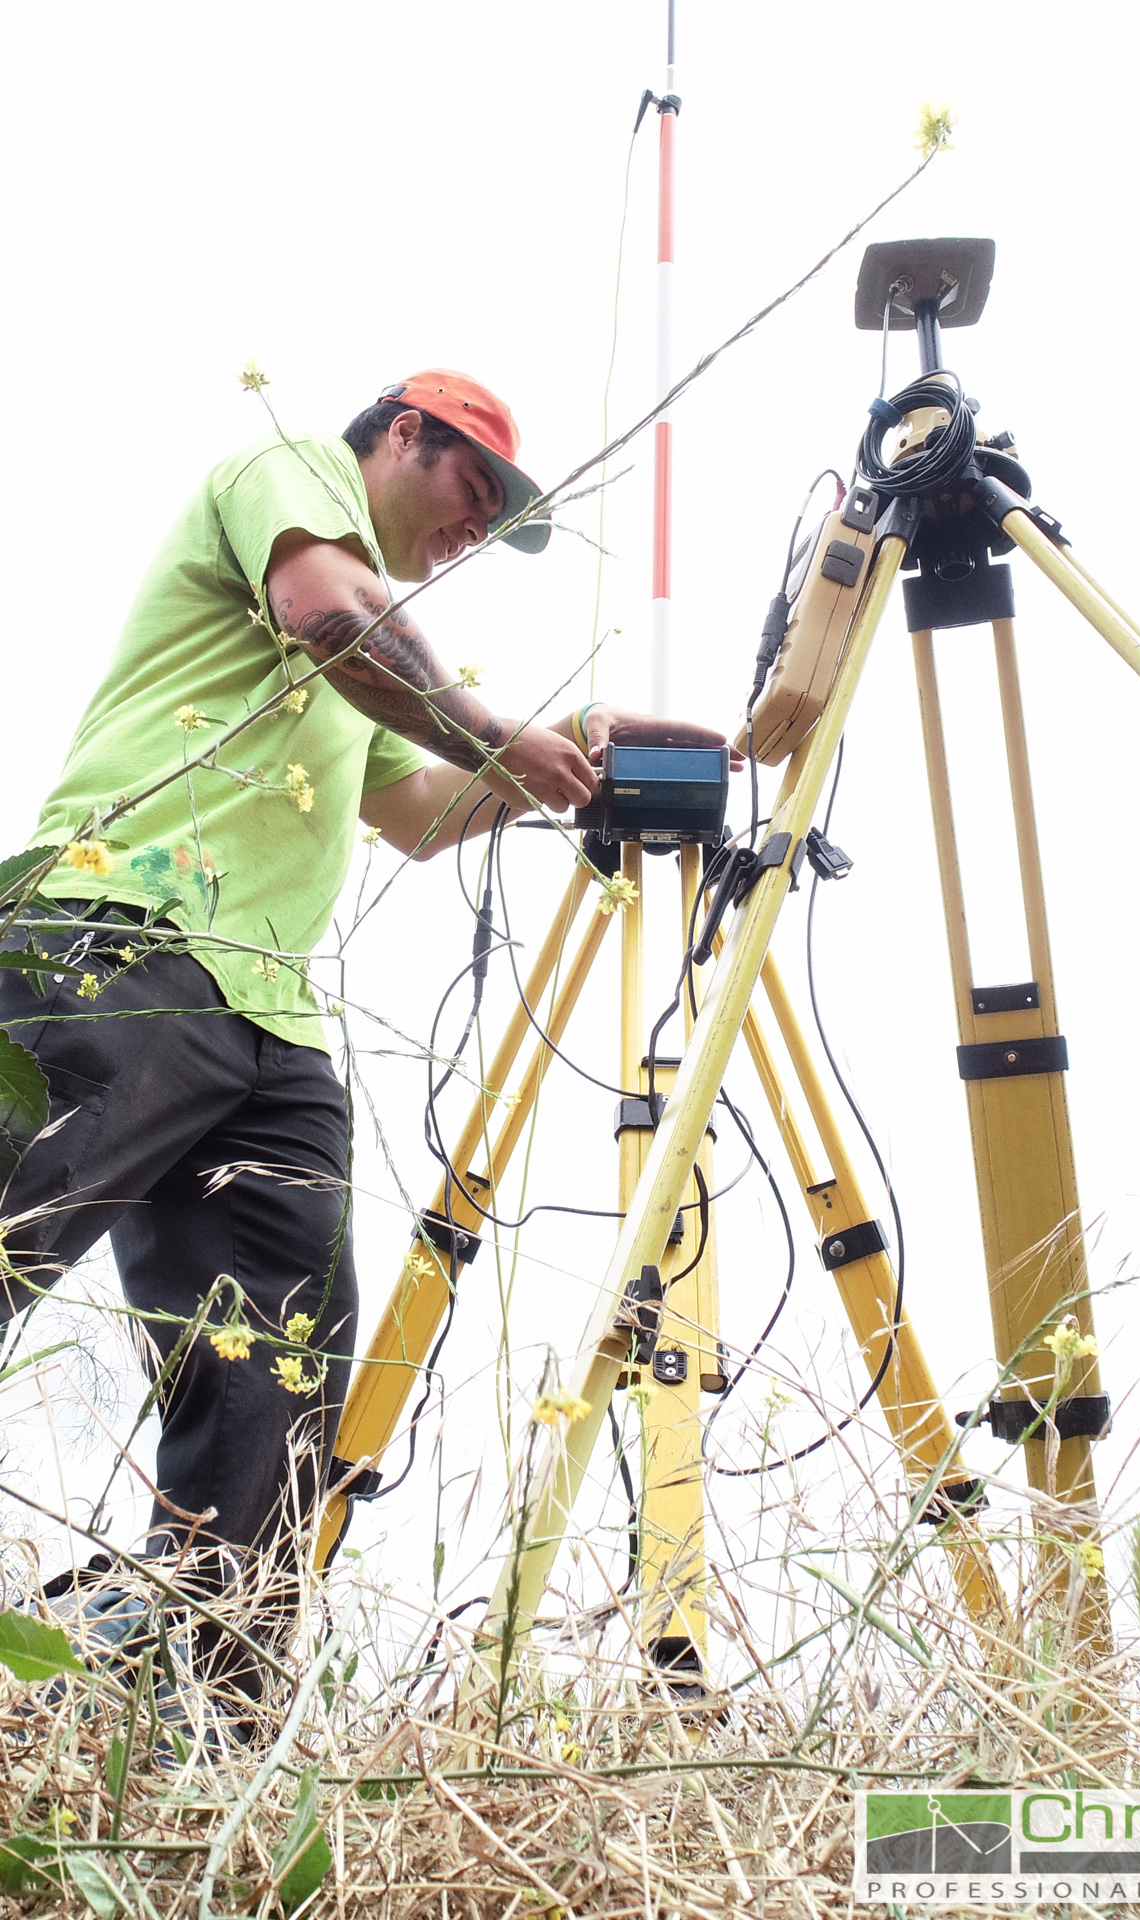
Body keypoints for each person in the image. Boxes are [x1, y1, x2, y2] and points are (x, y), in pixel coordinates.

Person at [0, 368, 728, 1681]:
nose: (479, 528)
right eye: (474, 490)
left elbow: (421, 816)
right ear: (403, 434)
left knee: (272, 1401)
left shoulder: (374, 674)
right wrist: (493, 721)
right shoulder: (290, 472)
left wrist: (554, 751)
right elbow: (328, 612)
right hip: (125, 940)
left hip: (267, 1031)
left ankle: (196, 1728)